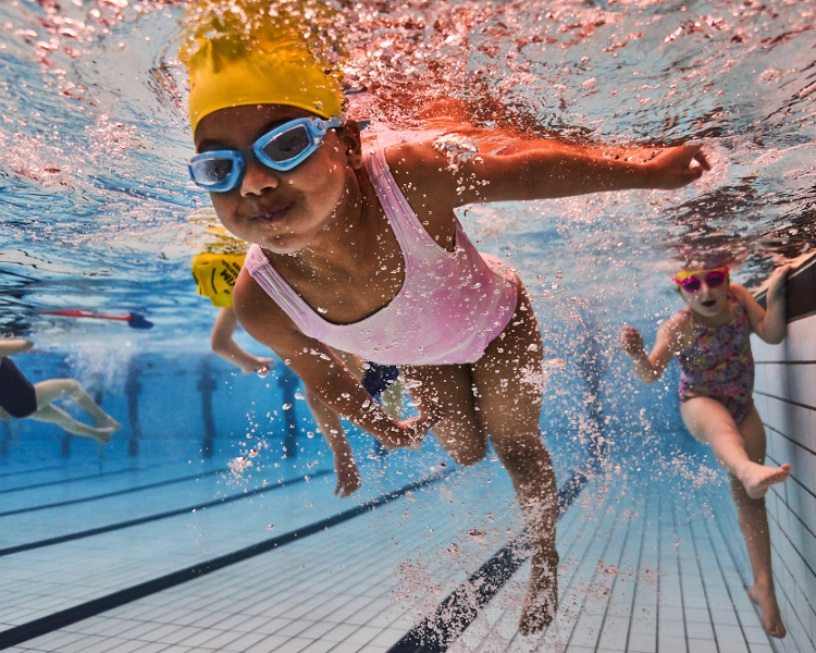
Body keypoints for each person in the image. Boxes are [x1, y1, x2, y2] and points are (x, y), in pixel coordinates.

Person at [180, 29, 708, 634]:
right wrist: (385, 429)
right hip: (424, 353)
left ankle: (544, 559)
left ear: (348, 142)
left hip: (499, 322)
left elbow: (525, 173)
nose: (252, 183)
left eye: (287, 144)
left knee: (514, 446)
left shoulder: (406, 177)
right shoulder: (259, 302)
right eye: (220, 166)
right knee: (465, 451)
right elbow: (322, 377)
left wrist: (645, 174)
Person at [621, 261, 791, 639]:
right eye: (691, 284)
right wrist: (636, 356)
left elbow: (772, 333)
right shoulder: (680, 326)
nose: (705, 291)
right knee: (723, 431)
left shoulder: (740, 300)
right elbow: (650, 374)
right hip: (699, 403)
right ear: (680, 289)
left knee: (752, 500)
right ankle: (746, 469)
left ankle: (764, 587)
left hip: (742, 403)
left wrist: (778, 288)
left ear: (727, 279)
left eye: (713, 280)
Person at [192, 249, 401, 497]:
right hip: (383, 346)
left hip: (374, 359)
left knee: (395, 430)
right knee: (398, 421)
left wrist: (342, 453)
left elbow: (219, 344)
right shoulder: (273, 275)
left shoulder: (252, 290)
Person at [0, 338, 121, 443]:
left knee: (63, 419)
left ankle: (98, 434)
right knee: (72, 386)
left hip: (15, 408)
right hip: (26, 399)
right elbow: (26, 344)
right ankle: (102, 417)